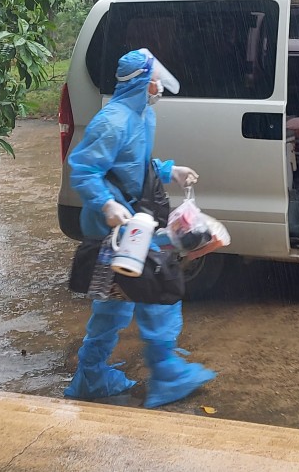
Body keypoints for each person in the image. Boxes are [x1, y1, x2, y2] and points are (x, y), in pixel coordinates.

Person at [64, 48, 216, 408]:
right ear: (142, 82)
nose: (159, 84)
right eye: (154, 78)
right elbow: (84, 169)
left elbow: (137, 163)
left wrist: (169, 171)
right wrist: (106, 203)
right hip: (116, 229)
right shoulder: (112, 121)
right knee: (158, 291)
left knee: (114, 300)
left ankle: (92, 374)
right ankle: (165, 374)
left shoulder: (141, 115)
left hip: (136, 221)